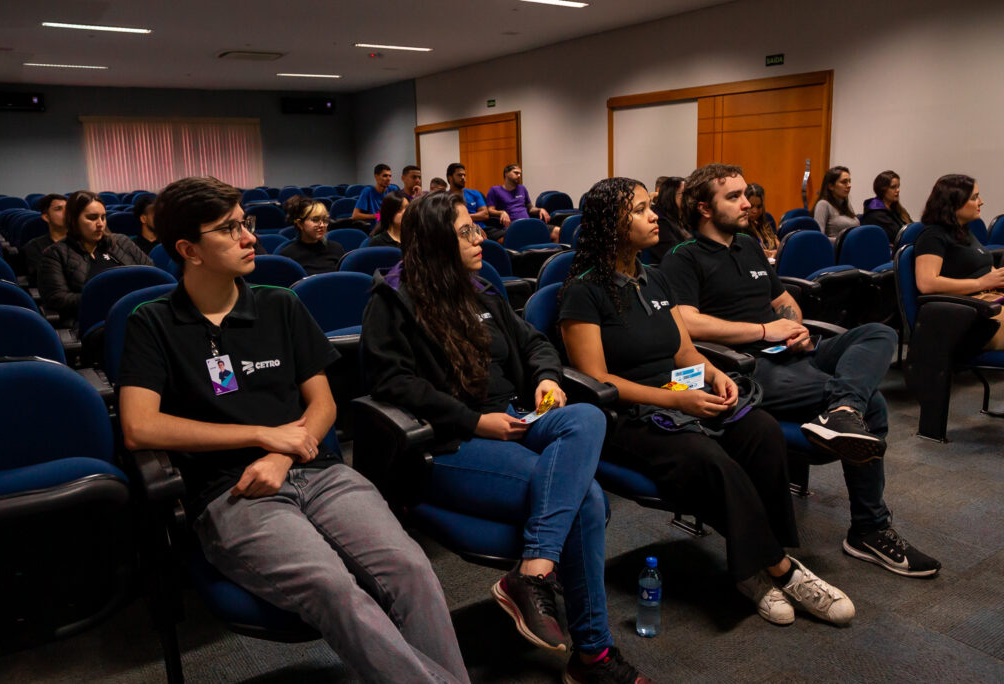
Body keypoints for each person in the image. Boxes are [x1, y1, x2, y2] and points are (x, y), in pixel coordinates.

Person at [117, 176, 469, 684]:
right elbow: (138, 426)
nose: (250, 238)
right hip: (232, 492)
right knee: (333, 587)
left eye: (247, 223)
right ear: (188, 249)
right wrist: (261, 437)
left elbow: (322, 402)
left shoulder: (280, 303)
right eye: (229, 229)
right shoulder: (152, 322)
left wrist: (283, 453)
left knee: (410, 570)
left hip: (317, 472)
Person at [362, 191, 655, 684]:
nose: (481, 238)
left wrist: (546, 378)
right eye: (465, 232)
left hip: (519, 418)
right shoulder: (393, 300)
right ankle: (593, 658)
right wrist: (474, 422)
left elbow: (535, 341)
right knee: (586, 499)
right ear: (435, 242)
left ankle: (532, 573)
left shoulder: (483, 290)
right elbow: (394, 385)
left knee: (588, 418)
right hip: (452, 441)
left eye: (476, 229)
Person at [560, 177, 854, 628]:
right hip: (627, 412)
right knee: (710, 459)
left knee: (761, 431)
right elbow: (597, 380)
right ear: (611, 225)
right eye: (640, 210)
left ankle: (753, 563)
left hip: (678, 392)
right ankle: (777, 570)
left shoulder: (654, 277)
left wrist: (716, 376)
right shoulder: (583, 290)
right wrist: (680, 402)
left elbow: (684, 353)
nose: (654, 215)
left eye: (649, 207)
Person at [662, 163, 941, 578]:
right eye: (733, 197)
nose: (746, 203)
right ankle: (869, 527)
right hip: (744, 368)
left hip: (790, 351)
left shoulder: (749, 246)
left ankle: (843, 408)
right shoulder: (682, 257)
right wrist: (762, 330)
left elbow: (782, 301)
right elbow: (686, 323)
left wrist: (799, 329)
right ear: (704, 208)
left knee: (876, 334)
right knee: (877, 404)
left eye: (744, 193)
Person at [915, 174, 1004, 349]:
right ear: (954, 204)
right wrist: (980, 283)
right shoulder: (933, 236)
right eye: (974, 198)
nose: (981, 202)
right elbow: (926, 284)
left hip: (989, 302)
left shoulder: (963, 232)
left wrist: (997, 276)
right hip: (968, 316)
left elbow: (982, 267)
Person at [39, 190, 153, 324]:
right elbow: (58, 299)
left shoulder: (122, 242)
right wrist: (108, 297)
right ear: (73, 219)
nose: (100, 224)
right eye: (92, 218)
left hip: (138, 314)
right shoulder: (55, 254)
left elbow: (152, 275)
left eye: (103, 217)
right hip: (96, 322)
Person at [278, 196, 344, 275]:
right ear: (300, 224)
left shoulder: (336, 248)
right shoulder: (288, 255)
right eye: (315, 220)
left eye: (325, 220)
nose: (322, 225)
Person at [486, 164, 552, 226]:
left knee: (557, 231)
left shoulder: (522, 188)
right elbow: (490, 210)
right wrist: (501, 212)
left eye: (520, 174)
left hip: (528, 223)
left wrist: (540, 209)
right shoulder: (495, 190)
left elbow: (530, 208)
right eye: (516, 173)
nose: (519, 176)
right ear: (506, 173)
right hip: (511, 226)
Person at [23, 193, 67, 285]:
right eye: (58, 209)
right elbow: (47, 277)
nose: (66, 212)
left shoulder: (84, 241)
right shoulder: (34, 247)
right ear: (46, 217)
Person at [644, 176, 689, 264]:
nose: (689, 199)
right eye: (684, 194)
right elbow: (674, 257)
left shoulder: (682, 218)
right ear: (670, 196)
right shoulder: (660, 221)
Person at [862, 170, 913, 245]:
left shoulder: (897, 209)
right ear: (882, 190)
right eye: (893, 187)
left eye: (898, 186)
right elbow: (899, 236)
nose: (898, 190)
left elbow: (911, 227)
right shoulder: (875, 214)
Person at [812, 166, 860, 238]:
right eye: (844, 182)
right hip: (834, 248)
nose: (849, 185)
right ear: (831, 186)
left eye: (849, 181)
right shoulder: (823, 204)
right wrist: (845, 241)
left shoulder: (846, 203)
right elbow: (819, 238)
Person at [446, 163, 489, 229]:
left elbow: (485, 214)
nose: (463, 178)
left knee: (505, 237)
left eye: (464, 175)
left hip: (482, 228)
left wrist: (463, 216)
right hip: (461, 231)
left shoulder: (475, 193)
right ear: (450, 177)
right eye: (459, 175)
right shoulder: (444, 198)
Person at [744, 183, 779, 259]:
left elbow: (779, 246)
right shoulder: (740, 226)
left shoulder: (768, 219)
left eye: (759, 207)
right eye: (751, 206)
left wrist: (776, 253)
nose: (755, 211)